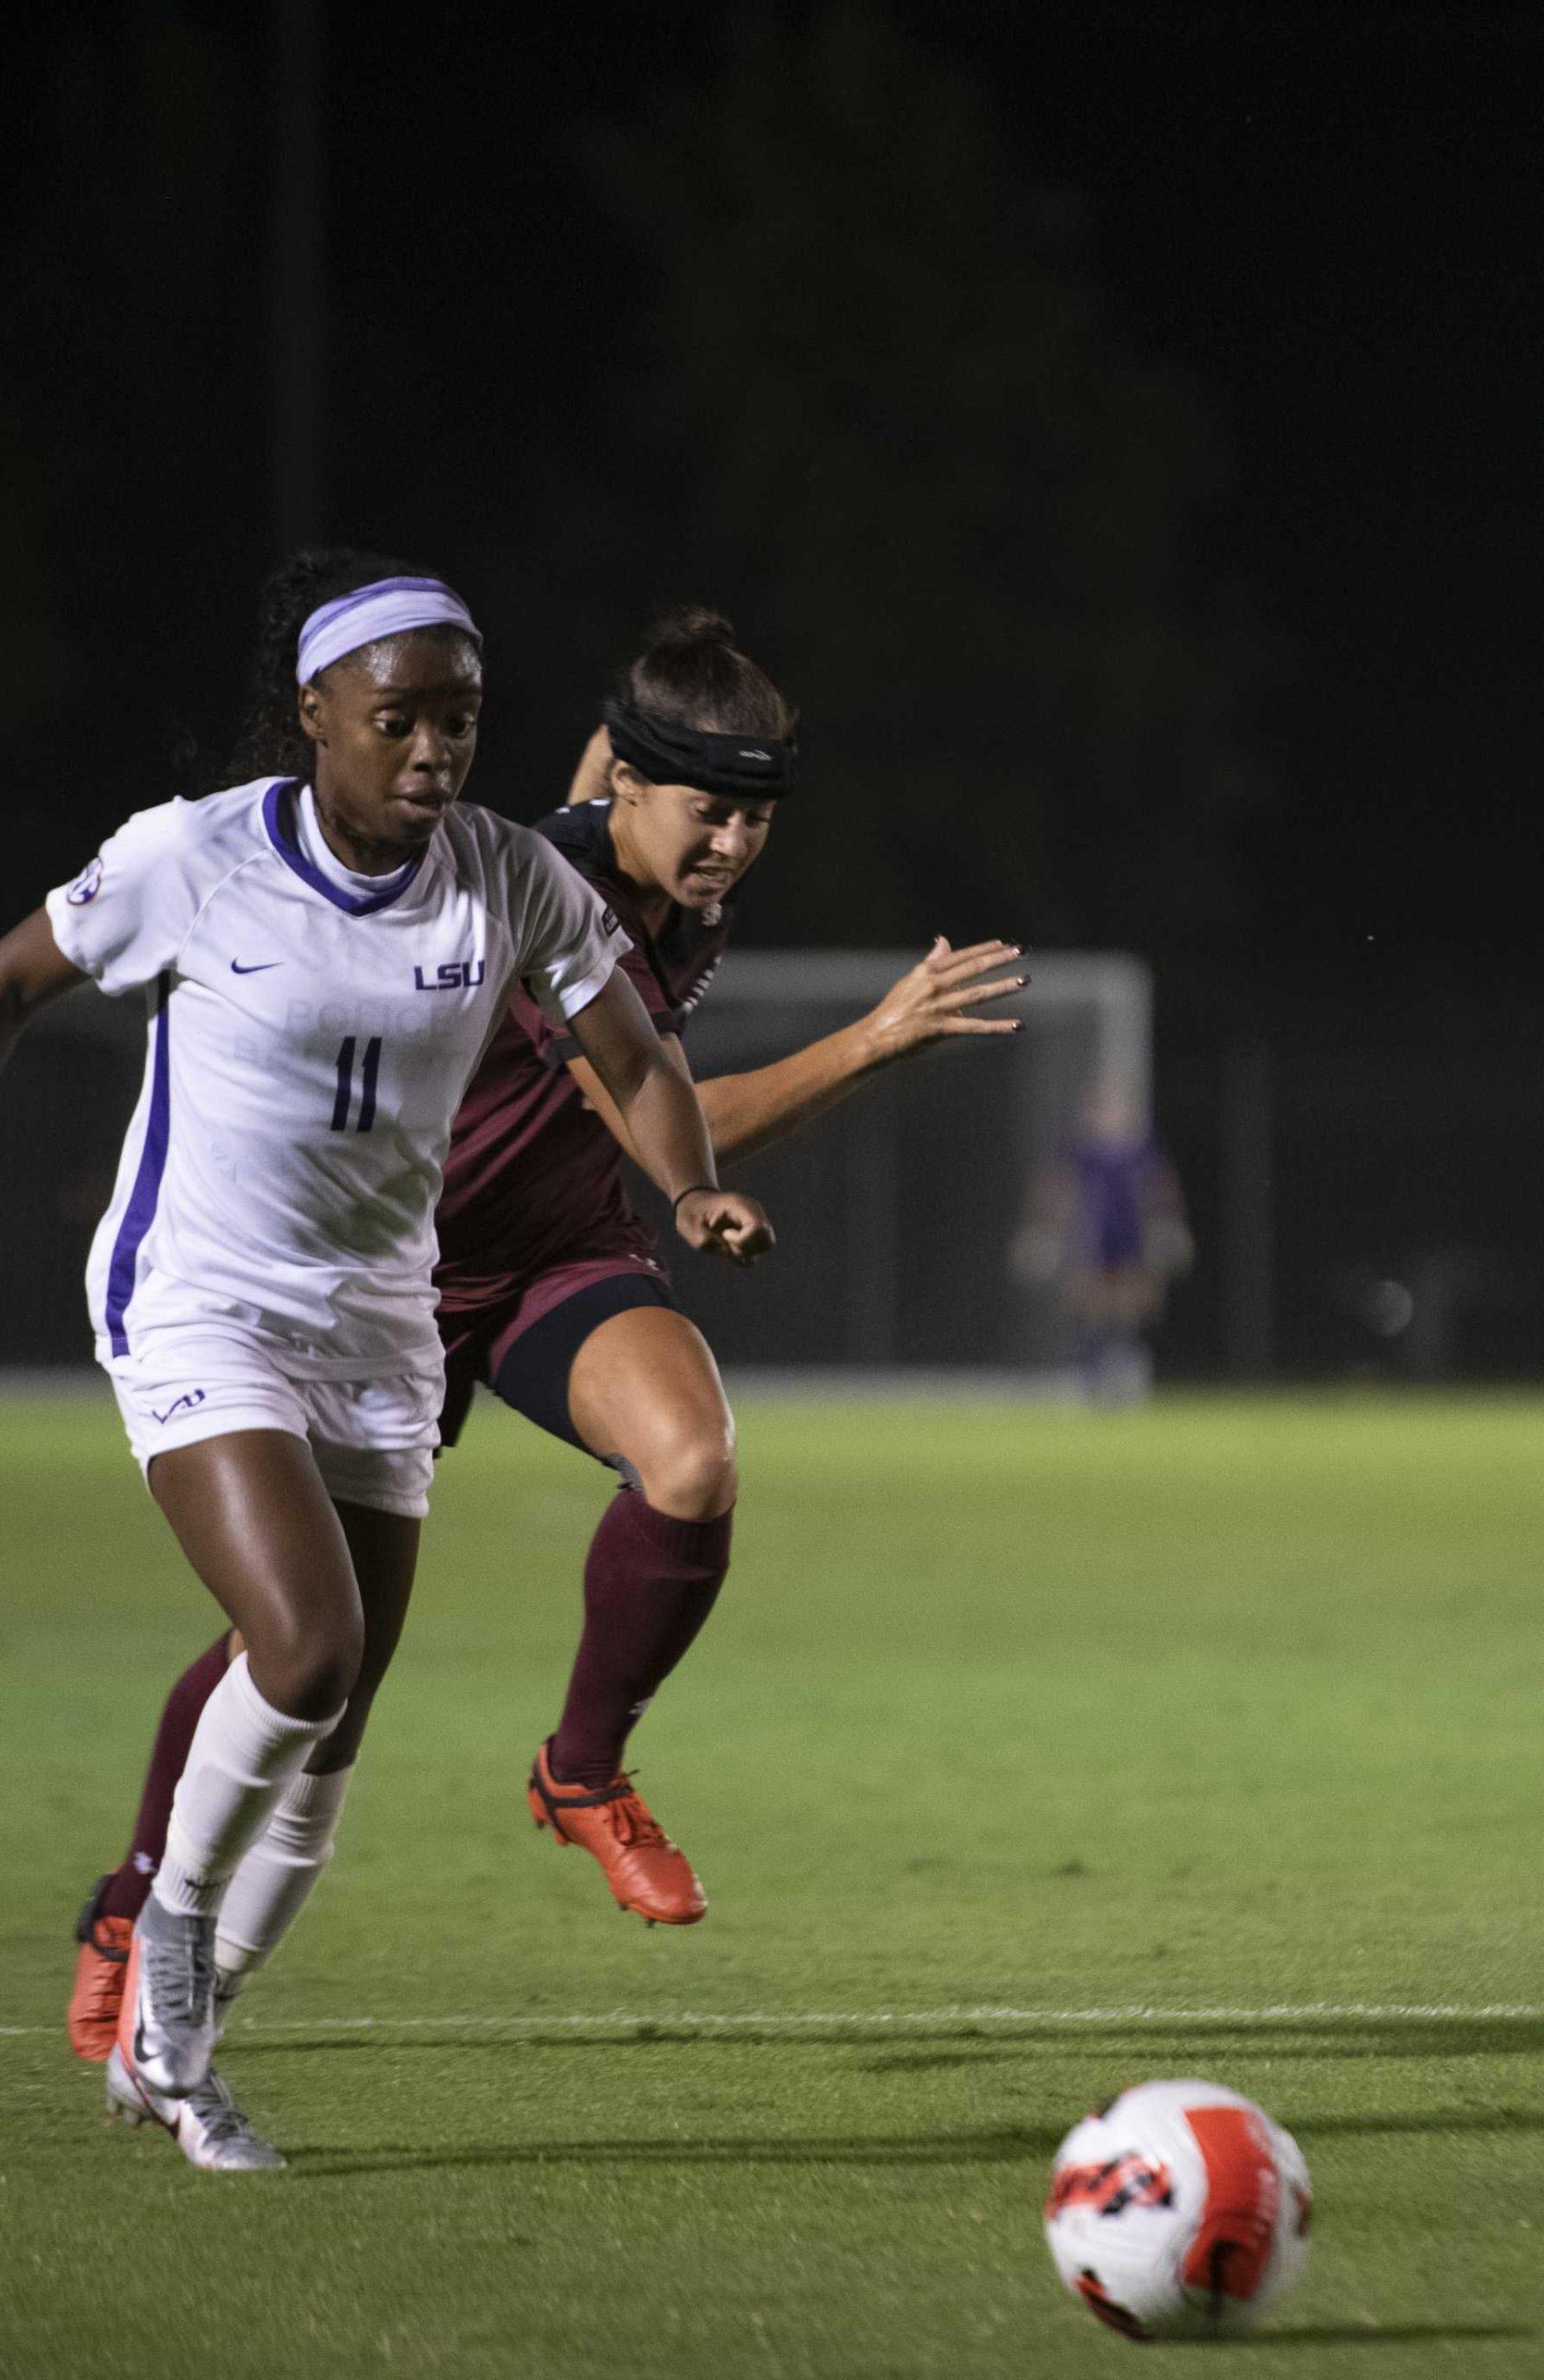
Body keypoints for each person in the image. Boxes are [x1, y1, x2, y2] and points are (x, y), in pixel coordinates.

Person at [0, 553, 773, 2173]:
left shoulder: (504, 880)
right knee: (308, 1642)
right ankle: (171, 1985)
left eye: (460, 722)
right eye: (396, 719)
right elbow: (3, 984)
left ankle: (166, 2048)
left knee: (328, 1738)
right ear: (315, 717)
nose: (432, 753)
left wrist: (680, 1179)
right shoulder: (191, 859)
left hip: (376, 1330)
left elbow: (630, 1051)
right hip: (199, 1306)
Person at [69, 609, 1026, 2094]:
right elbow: (646, 1112)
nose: (732, 847)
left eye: (758, 819)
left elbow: (620, 833)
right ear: (634, 790)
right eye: (711, 813)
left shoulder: (662, 866)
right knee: (313, 1656)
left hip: (551, 1260)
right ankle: (135, 1905)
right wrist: (874, 1039)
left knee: (693, 1456)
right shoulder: (541, 888)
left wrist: (659, 737)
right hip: (393, 1280)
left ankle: (582, 1766)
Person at [1009, 1078, 1193, 1400]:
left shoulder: (1142, 1150)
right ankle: (1090, 1372)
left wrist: (1170, 1226)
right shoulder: (1078, 1151)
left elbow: (1161, 1189)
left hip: (1131, 1238)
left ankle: (1122, 1368)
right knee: (1091, 1300)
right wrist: (1042, 1233)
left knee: (1131, 1302)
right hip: (1092, 1239)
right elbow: (1056, 1190)